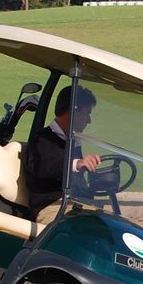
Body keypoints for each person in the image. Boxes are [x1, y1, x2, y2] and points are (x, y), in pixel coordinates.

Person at [24, 85, 100, 224]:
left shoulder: (72, 141)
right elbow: (42, 167)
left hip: (75, 204)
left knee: (140, 207)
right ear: (73, 111)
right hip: (51, 207)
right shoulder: (42, 138)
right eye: (87, 113)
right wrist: (77, 164)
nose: (89, 120)